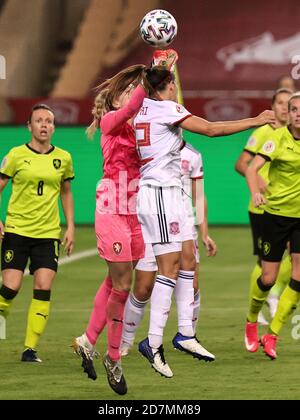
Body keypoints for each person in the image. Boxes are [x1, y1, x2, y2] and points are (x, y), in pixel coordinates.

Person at [134, 65, 276, 377]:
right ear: (169, 86)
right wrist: (257, 119)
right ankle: (153, 342)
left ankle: (185, 332)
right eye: (173, 83)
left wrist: (167, 63)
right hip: (159, 191)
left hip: (167, 193)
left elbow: (157, 89)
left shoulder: (143, 105)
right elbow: (211, 129)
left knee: (187, 259)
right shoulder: (166, 109)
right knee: (169, 266)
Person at [72, 65, 150, 395]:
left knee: (114, 281)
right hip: (111, 209)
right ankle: (113, 358)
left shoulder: (138, 129)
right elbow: (133, 106)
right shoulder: (110, 123)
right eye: (127, 90)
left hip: (134, 212)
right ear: (115, 100)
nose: (132, 95)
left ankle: (87, 340)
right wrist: (151, 78)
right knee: (123, 283)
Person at [121, 142, 217, 365]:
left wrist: (204, 233)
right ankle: (126, 341)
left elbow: (199, 196)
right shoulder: (149, 147)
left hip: (183, 224)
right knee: (143, 287)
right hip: (151, 222)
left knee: (192, 283)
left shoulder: (193, 155)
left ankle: (188, 335)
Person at [0, 103, 75, 362]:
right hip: (17, 231)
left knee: (43, 287)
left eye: (49, 121)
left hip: (47, 233)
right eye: (39, 120)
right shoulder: (16, 155)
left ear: (54, 127)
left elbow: (66, 192)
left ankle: (30, 350)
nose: (44, 125)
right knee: (10, 287)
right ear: (29, 126)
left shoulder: (63, 158)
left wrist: (71, 226)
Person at [245, 92, 300, 359]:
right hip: (275, 216)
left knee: (299, 278)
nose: (298, 113)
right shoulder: (276, 139)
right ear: (288, 114)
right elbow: (251, 168)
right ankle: (252, 319)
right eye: (294, 109)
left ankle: (273, 334)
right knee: (267, 278)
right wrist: (256, 191)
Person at [235, 88, 293, 325]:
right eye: (279, 103)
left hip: (288, 206)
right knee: (263, 260)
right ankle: (257, 307)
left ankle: (275, 293)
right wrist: (261, 186)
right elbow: (242, 164)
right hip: (262, 208)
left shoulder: (293, 135)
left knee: (293, 254)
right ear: (273, 106)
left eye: (287, 104)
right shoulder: (262, 133)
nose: (282, 108)